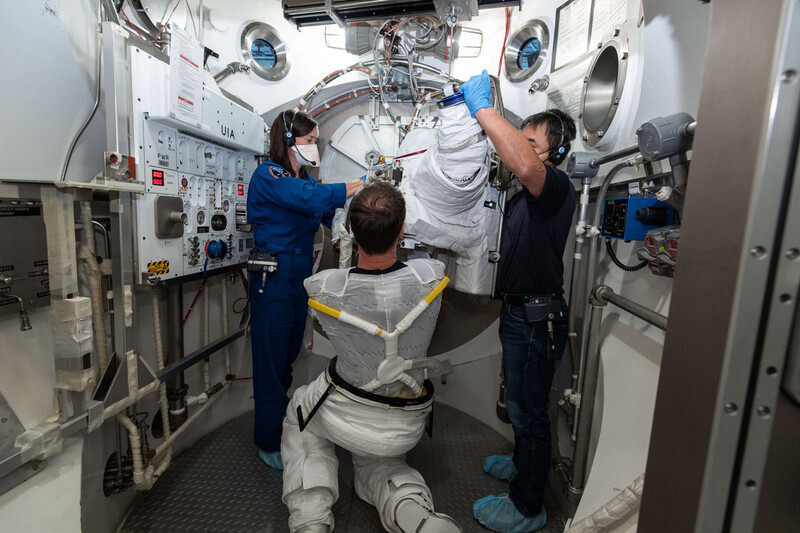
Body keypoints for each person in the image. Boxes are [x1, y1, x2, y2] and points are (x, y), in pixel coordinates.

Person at [280, 182, 461, 533]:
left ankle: (310, 519)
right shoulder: (431, 277)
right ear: (403, 230)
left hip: (346, 408)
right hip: (407, 417)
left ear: (349, 230)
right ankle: (410, 508)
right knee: (380, 461)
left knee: (300, 414)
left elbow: (356, 291)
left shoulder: (323, 288)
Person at [461, 70, 576, 533]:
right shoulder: (524, 197)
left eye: (530, 141)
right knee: (524, 404)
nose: (521, 150)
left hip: (534, 317)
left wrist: (483, 109)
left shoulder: (554, 186)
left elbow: (528, 166)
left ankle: (528, 505)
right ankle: (524, 465)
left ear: (553, 152)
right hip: (521, 312)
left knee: (530, 414)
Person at [247, 110, 364, 470]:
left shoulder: (308, 183)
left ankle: (280, 426)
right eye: (309, 141)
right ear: (287, 141)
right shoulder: (271, 174)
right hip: (273, 280)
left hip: (298, 284)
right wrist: (359, 183)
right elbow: (309, 200)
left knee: (286, 360)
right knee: (270, 365)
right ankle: (267, 442)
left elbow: (327, 211)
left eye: (316, 141)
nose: (314, 147)